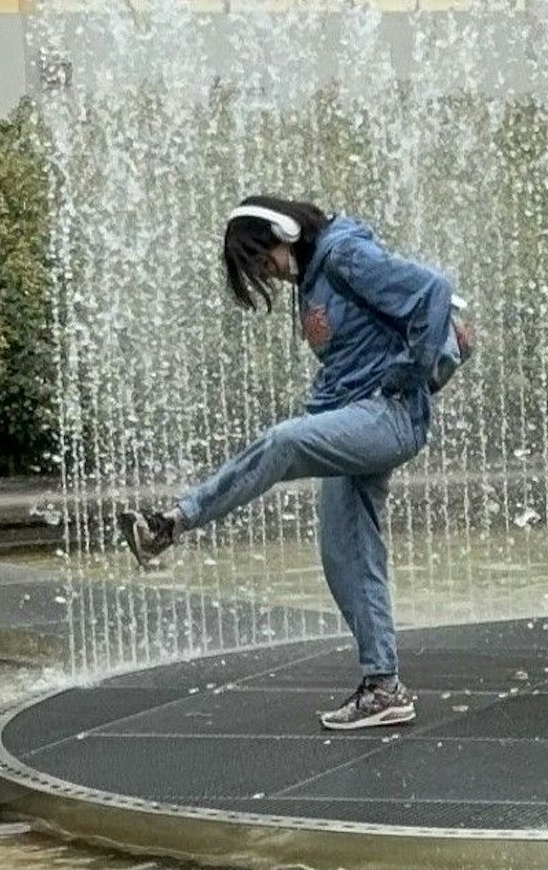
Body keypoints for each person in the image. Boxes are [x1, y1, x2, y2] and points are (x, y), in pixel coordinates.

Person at [116, 197, 455, 731]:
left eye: (263, 259)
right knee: (345, 554)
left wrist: (407, 375)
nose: (267, 273)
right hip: (354, 419)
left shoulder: (344, 256)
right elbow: (347, 362)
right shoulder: (313, 279)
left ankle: (173, 522)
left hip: (389, 416)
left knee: (282, 442)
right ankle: (383, 688)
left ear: (286, 232)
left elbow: (432, 290)